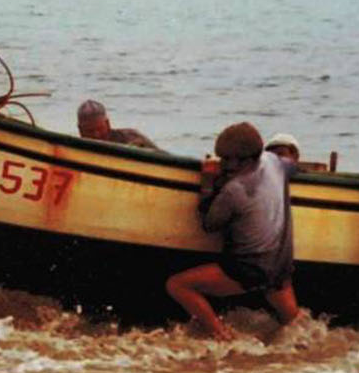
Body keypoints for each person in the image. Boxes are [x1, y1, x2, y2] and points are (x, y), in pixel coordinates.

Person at [165, 121, 302, 338]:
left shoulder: (233, 190)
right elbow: (293, 165)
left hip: (248, 269)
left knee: (177, 285)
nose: (227, 165)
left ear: (249, 158)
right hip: (282, 266)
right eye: (224, 159)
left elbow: (209, 224)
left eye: (231, 160)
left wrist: (208, 183)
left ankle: (220, 335)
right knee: (297, 328)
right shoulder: (276, 163)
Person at [77, 99, 160, 150]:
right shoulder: (74, 149)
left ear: (107, 124)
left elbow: (165, 159)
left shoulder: (131, 138)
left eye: (99, 129)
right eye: (90, 131)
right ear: (80, 130)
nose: (96, 135)